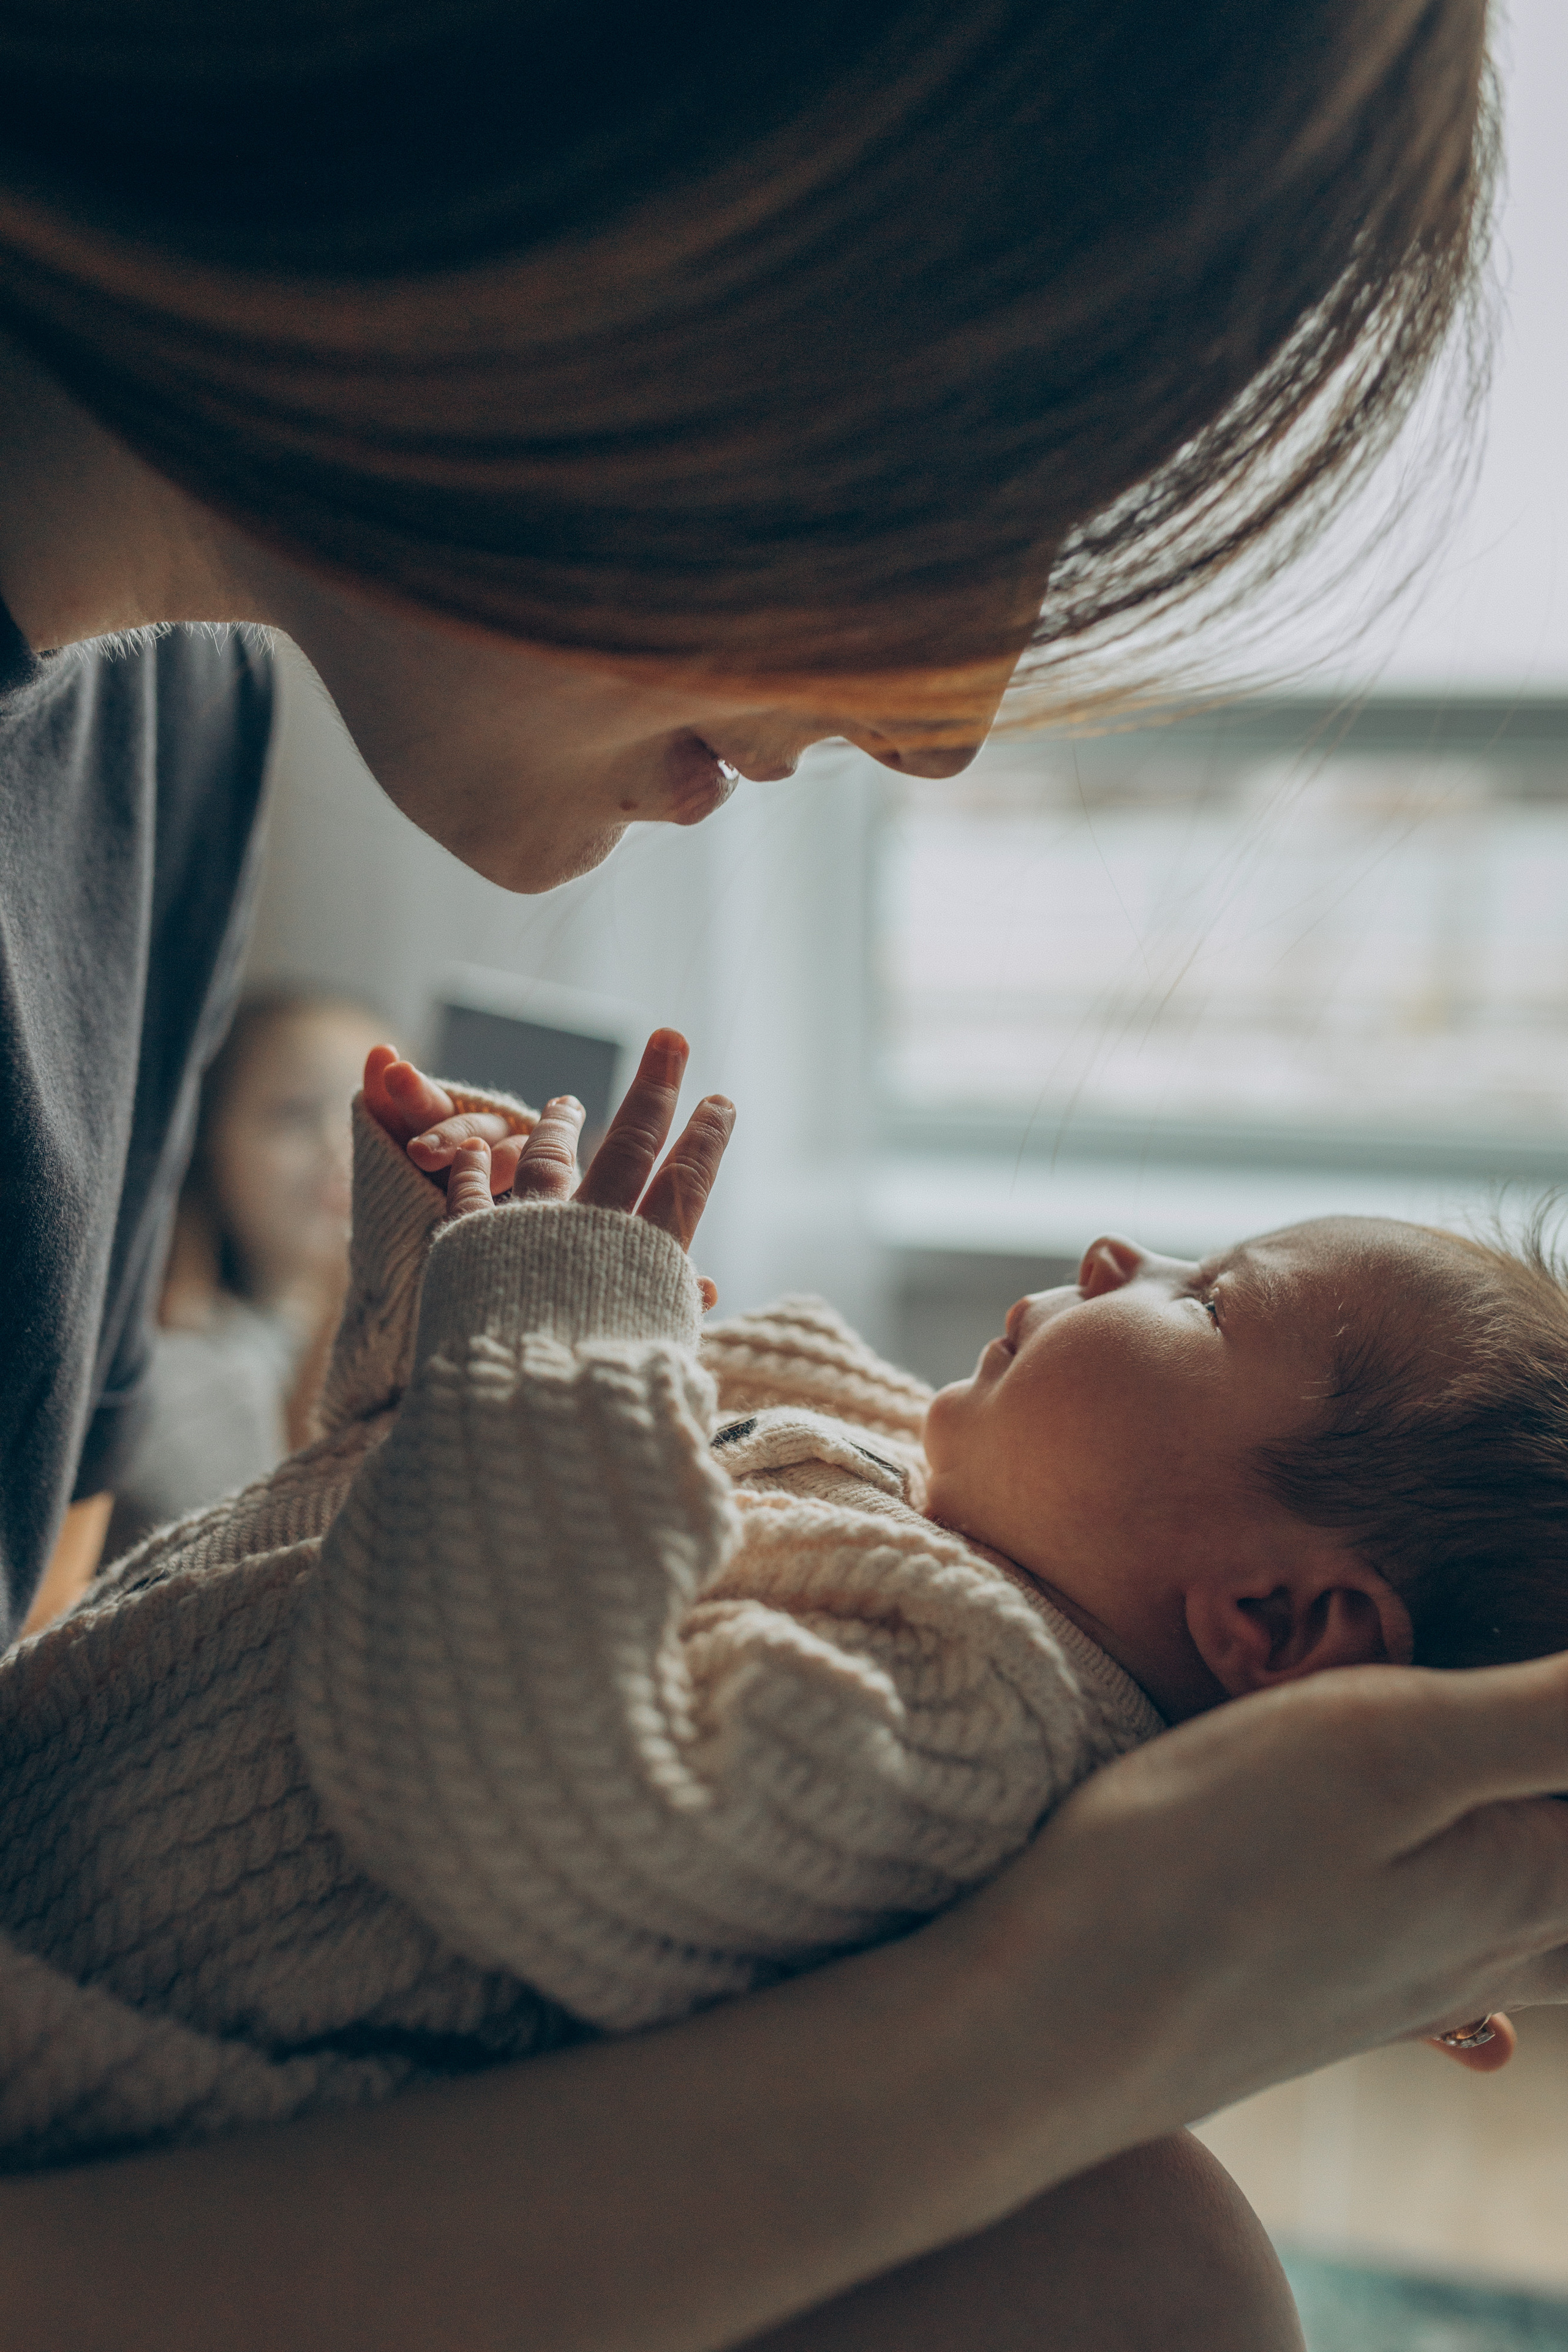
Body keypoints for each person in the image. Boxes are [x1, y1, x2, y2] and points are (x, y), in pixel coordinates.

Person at [3, 6, 1568, 2350]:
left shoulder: (171, 724)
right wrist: (1105, 1999)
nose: (944, 722)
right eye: (991, 455)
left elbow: (307, 1669)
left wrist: (428, 1374)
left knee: (1134, 2264)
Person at [0, 1027, 1543, 2171]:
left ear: (1271, 1622)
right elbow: (401, 1507)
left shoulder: (980, 1732)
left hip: (86, 2021)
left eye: (1209, 1300)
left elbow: (514, 1766)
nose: (1118, 1250)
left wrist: (552, 1321)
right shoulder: (907, 1462)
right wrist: (461, 1272)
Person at [99, 990, 391, 1566]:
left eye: (373, 1119)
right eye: (294, 1113)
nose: (340, 1148)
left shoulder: (389, 1342)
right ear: (207, 1139)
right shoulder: (180, 1368)